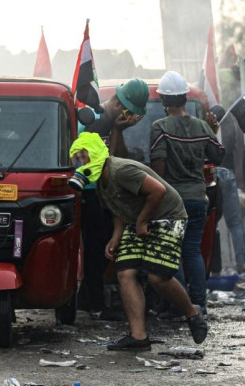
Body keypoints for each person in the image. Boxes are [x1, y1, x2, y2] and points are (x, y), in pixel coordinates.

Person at [69, 131, 208, 351]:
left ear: (94, 153)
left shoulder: (120, 170)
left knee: (157, 277)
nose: (79, 163)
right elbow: (119, 209)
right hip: (137, 219)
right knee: (125, 272)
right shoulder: (100, 182)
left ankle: (193, 313)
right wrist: (116, 237)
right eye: (76, 159)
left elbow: (158, 191)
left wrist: (142, 221)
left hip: (167, 215)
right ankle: (138, 337)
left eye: (82, 157)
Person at [149, 71, 225, 315]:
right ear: (184, 98)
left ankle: (180, 304)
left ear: (164, 100)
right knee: (192, 250)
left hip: (173, 202)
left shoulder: (160, 127)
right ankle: (199, 304)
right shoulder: (202, 126)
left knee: (172, 254)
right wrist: (213, 130)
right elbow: (218, 155)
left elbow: (158, 167)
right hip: (198, 199)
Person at [78, 78, 149, 319]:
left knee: (106, 246)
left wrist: (119, 130)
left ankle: (92, 299)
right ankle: (93, 303)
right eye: (130, 113)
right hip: (90, 194)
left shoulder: (113, 125)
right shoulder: (91, 121)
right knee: (94, 249)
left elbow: (119, 161)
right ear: (119, 105)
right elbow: (100, 162)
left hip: (108, 194)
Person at [210, 105, 245, 272]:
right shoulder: (231, 128)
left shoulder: (208, 129)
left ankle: (213, 267)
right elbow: (238, 153)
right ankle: (242, 265)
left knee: (210, 223)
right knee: (235, 224)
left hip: (212, 175)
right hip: (228, 174)